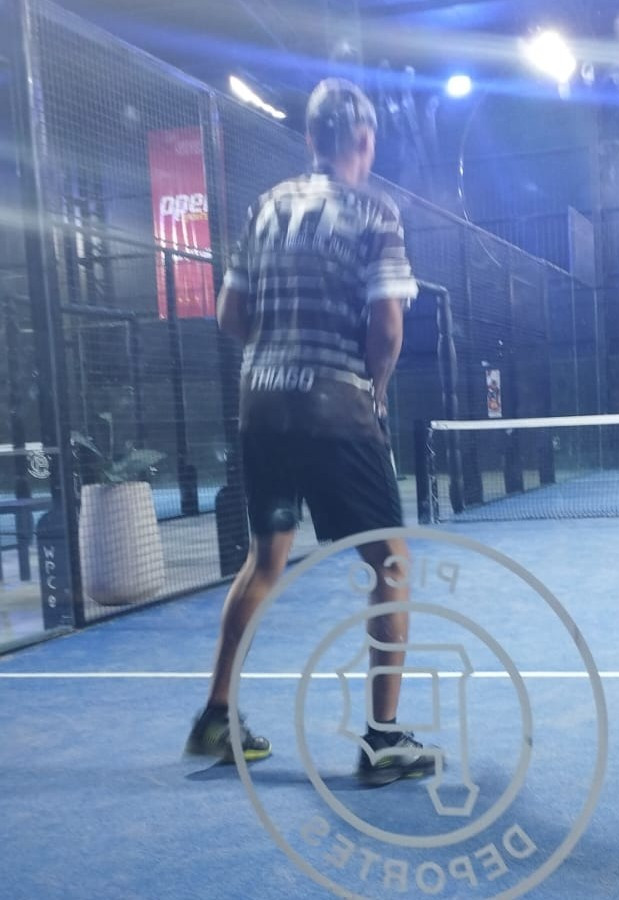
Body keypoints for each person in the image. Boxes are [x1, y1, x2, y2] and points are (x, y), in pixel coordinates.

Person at [185, 78, 435, 787]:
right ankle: (383, 742)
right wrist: (373, 388)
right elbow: (387, 329)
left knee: (265, 560)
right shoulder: (375, 211)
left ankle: (216, 716)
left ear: (309, 139)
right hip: (336, 410)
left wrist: (281, 352)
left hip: (262, 406)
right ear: (365, 141)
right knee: (389, 566)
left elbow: (231, 316)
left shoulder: (265, 207)